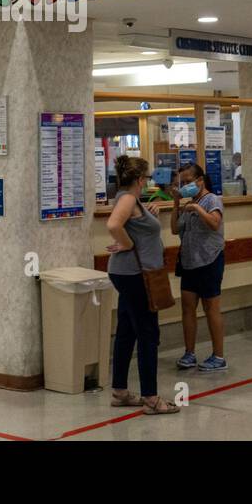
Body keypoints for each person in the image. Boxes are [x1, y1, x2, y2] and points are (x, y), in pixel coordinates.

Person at [105, 156, 179, 415]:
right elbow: (113, 224)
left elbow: (132, 224)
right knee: (148, 333)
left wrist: (149, 214)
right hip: (136, 275)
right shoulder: (127, 198)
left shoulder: (131, 200)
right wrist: (127, 244)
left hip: (128, 273)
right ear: (139, 179)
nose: (148, 182)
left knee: (127, 330)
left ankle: (120, 391)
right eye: (146, 178)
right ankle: (151, 397)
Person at [171, 163, 227, 371]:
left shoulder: (212, 199)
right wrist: (177, 205)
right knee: (187, 308)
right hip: (189, 262)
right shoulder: (188, 203)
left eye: (188, 181)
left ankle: (219, 356)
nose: (185, 186)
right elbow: (175, 229)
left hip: (210, 260)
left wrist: (197, 208)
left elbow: (214, 223)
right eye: (182, 183)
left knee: (211, 307)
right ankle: (189, 353)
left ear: (200, 180)